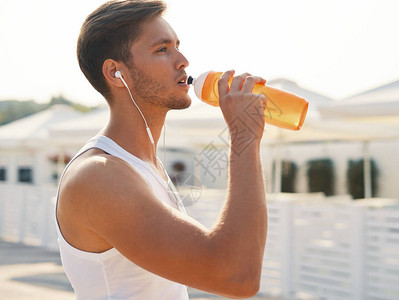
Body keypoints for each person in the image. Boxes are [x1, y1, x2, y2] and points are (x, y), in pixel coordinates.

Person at [55, 0, 268, 299]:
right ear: (116, 73)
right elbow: (237, 275)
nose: (183, 60)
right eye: (162, 49)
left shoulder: (143, 165)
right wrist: (244, 137)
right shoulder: (98, 176)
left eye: (178, 46)